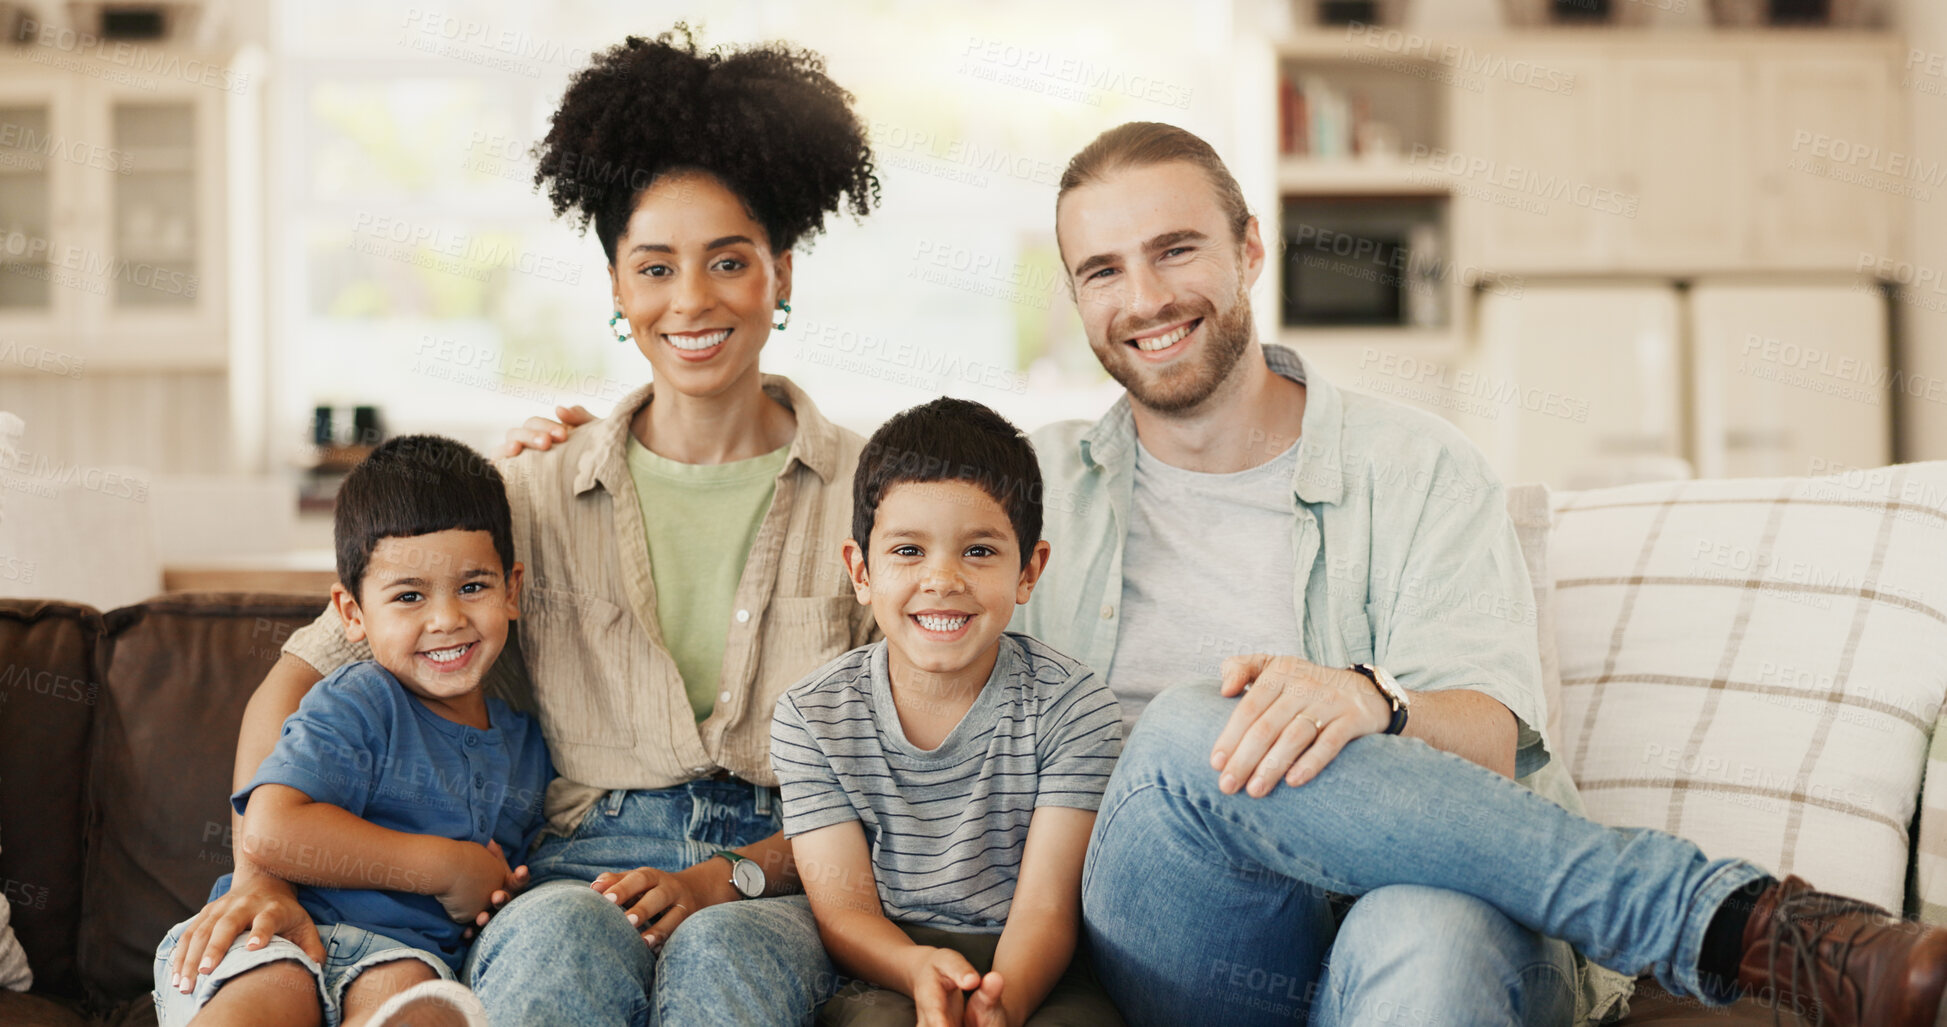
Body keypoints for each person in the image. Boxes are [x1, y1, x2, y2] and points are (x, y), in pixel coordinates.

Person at [499, 121, 1947, 1027]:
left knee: (1429, 924)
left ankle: (1741, 926)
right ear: (1076, 299)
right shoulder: (1034, 476)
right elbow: (869, 516)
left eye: (1176, 247)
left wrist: (1366, 699)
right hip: (1182, 929)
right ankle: (1738, 920)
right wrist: (606, 438)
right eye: (1102, 271)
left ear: (1247, 249)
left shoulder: (1411, 461)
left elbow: (1495, 728)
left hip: (1413, 886)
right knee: (1200, 724)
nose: (1145, 297)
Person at [164, 26, 882, 1026]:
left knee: (728, 958)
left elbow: (901, 763)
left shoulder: (874, 496)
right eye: (655, 267)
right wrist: (263, 871)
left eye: (730, 261)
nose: (692, 300)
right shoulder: (533, 490)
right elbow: (299, 676)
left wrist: (736, 875)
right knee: (560, 940)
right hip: (574, 860)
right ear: (618, 287)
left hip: (774, 865)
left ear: (783, 275)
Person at [153, 435, 551, 1027]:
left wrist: (497, 889)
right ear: (351, 615)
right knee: (270, 993)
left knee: (422, 1008)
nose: (446, 619)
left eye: (473, 587)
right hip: (275, 931)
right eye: (409, 596)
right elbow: (271, 831)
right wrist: (448, 867)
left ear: (511, 590)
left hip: (405, 958)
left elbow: (500, 881)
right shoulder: (362, 698)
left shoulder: (529, 746)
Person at [772, 399, 1124, 1027]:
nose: (942, 579)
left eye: (980, 552)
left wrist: (1001, 1001)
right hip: (886, 960)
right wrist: (915, 969)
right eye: (908, 551)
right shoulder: (811, 716)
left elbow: (1046, 909)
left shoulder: (1074, 706)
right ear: (861, 570)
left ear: (1029, 569)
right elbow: (846, 911)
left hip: (1033, 958)